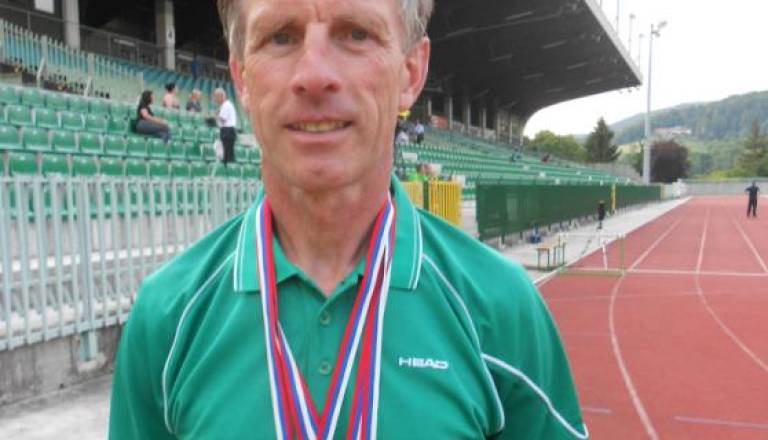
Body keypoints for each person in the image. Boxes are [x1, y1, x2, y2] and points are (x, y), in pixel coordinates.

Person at [109, 0, 587, 438]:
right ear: (242, 77)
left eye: (356, 34)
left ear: (411, 71)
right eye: (280, 37)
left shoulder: (500, 308)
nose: (314, 75)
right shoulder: (166, 318)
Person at [212, 87, 237, 165]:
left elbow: (223, 119)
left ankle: (228, 168)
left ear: (221, 96)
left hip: (227, 131)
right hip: (229, 130)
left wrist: (216, 115)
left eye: (216, 97)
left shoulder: (226, 105)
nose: (215, 99)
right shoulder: (226, 105)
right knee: (228, 153)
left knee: (227, 153)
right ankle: (229, 167)